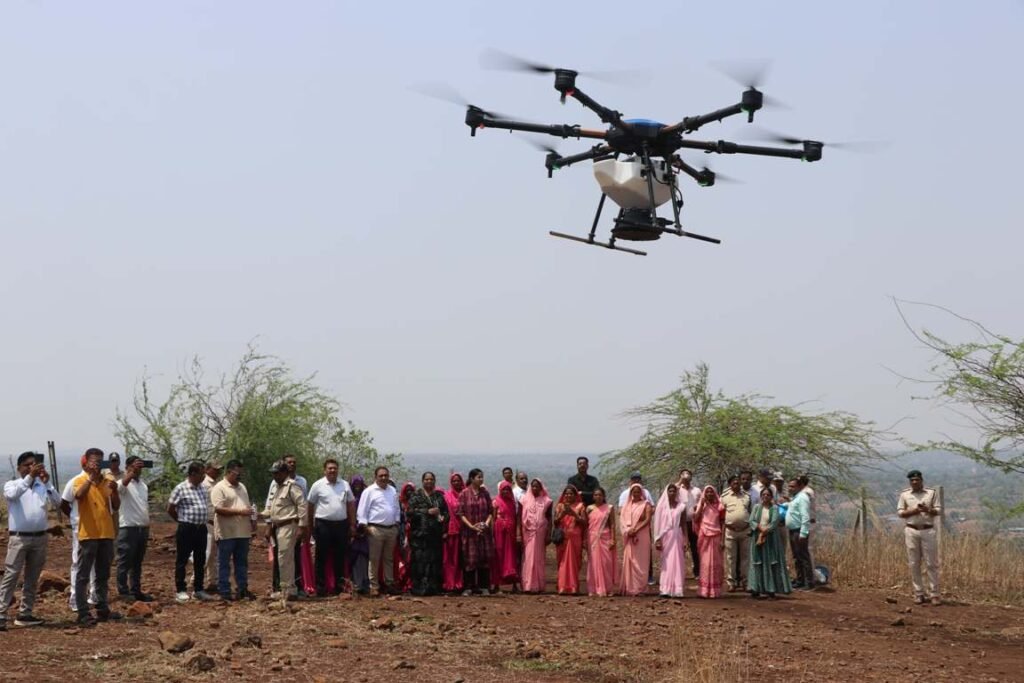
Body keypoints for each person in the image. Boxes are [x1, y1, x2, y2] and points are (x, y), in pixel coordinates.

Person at [0, 451, 61, 630]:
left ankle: (25, 613)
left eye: (34, 464)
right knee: (11, 575)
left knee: (32, 577)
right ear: (19, 468)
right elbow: (12, 496)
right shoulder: (13, 484)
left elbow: (58, 503)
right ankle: (1, 613)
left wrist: (47, 481)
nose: (31, 468)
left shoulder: (42, 486)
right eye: (27, 465)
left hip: (39, 537)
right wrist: (29, 478)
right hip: (19, 537)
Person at [70, 447, 123, 626]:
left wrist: (115, 490)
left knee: (103, 573)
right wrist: (91, 478)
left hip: (106, 533)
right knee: (83, 574)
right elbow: (78, 496)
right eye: (94, 461)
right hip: (88, 534)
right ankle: (83, 612)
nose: (97, 465)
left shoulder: (107, 481)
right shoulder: (80, 480)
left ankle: (102, 607)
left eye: (101, 461)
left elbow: (115, 506)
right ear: (86, 462)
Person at [168, 461, 217, 603]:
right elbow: (171, 508)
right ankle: (181, 590)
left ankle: (198, 589)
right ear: (193, 474)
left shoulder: (202, 488)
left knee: (200, 559)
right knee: (182, 560)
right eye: (202, 474)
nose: (204, 476)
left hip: (201, 528)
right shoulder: (181, 488)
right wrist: (182, 521)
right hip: (186, 527)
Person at [306, 459, 356, 597]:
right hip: (323, 525)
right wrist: (310, 526)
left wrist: (352, 525)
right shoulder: (318, 485)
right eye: (330, 468)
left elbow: (351, 505)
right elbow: (310, 506)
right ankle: (321, 587)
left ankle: (340, 587)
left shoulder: (344, 485)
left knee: (340, 556)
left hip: (341, 525)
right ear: (324, 470)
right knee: (321, 557)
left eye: (335, 468)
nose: (332, 470)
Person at [211, 459, 256, 601]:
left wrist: (252, 521)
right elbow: (218, 509)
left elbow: (247, 506)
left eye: (241, 473)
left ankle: (242, 589)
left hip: (242, 532)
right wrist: (239, 512)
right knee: (224, 563)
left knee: (242, 562)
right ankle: (224, 591)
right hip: (226, 533)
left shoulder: (242, 487)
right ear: (229, 472)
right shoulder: (219, 487)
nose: (239, 476)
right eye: (237, 473)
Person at [263, 459, 308, 600]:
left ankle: (288, 589)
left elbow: (302, 506)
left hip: (289, 525)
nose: (274, 476)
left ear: (284, 472)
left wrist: (302, 526)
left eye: (277, 473)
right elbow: (273, 508)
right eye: (273, 473)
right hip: (279, 527)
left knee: (285, 559)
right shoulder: (277, 487)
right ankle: (287, 588)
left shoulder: (292, 486)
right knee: (283, 558)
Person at [897, 469, 942, 605]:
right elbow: (900, 513)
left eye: (917, 480)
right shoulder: (905, 495)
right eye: (912, 480)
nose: (915, 482)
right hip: (911, 530)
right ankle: (919, 593)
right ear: (910, 482)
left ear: (922, 480)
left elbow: (938, 510)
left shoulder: (931, 493)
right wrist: (915, 510)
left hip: (928, 530)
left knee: (931, 563)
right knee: (914, 563)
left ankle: (934, 594)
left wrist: (927, 510)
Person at [356, 466, 401, 596]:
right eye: (381, 476)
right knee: (374, 559)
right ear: (375, 477)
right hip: (375, 529)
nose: (383, 478)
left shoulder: (392, 490)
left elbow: (396, 508)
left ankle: (389, 584)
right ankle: (374, 586)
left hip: (391, 529)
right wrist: (365, 527)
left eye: (386, 475)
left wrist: (397, 523)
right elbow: (362, 510)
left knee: (389, 559)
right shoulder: (369, 491)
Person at [61, 455, 97, 612]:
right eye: (94, 462)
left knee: (96, 562)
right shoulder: (76, 480)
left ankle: (94, 594)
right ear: (85, 464)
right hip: (81, 527)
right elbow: (64, 502)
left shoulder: (102, 481)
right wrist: (74, 517)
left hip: (97, 527)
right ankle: (75, 598)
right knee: (78, 562)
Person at [115, 455, 152, 602]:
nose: (138, 470)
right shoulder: (123, 483)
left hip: (142, 528)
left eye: (140, 467)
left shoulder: (143, 485)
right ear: (127, 467)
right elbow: (121, 487)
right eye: (135, 466)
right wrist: (131, 473)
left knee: (137, 562)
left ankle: (136, 590)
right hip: (128, 528)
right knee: (124, 561)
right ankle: (123, 591)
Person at [407, 472, 448, 596]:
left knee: (434, 561)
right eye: (426, 479)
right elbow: (409, 513)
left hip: (435, 535)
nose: (429, 482)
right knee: (419, 561)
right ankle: (418, 588)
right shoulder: (416, 496)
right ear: (422, 481)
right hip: (420, 535)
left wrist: (443, 518)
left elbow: (446, 513)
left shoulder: (439, 497)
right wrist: (427, 511)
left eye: (431, 479)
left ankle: (434, 587)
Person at [747, 488, 792, 599]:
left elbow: (774, 522)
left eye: (768, 495)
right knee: (757, 562)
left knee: (769, 563)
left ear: (771, 497)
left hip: (770, 539)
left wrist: (765, 531)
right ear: (761, 496)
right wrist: (759, 529)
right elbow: (751, 520)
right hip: (757, 538)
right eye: (763, 494)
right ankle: (755, 588)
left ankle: (770, 589)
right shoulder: (756, 507)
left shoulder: (774, 508)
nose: (765, 496)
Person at [457, 468, 494, 595]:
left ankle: (484, 587)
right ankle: (469, 587)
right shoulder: (464, 494)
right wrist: (472, 526)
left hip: (484, 531)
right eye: (479, 477)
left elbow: (490, 511)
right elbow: (461, 514)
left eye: (482, 477)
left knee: (484, 558)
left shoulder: (485, 493)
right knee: (470, 559)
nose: (481, 479)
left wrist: (486, 524)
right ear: (472, 479)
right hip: (469, 532)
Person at [653, 483, 687, 598]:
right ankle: (665, 589)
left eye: (674, 491)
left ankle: (677, 589)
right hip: (665, 536)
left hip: (677, 535)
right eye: (670, 491)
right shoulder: (661, 507)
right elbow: (657, 524)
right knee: (666, 563)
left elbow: (683, 524)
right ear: (666, 493)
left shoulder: (681, 506)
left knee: (677, 561)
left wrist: (686, 540)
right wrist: (657, 539)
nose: (672, 493)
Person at [619, 483, 653, 596]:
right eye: (634, 492)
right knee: (631, 560)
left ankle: (640, 588)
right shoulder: (626, 506)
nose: (636, 493)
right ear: (631, 493)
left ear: (641, 493)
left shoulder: (646, 504)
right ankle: (630, 588)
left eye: (638, 491)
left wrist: (636, 529)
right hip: (630, 535)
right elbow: (622, 520)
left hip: (642, 535)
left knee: (641, 562)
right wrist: (628, 530)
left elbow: (647, 519)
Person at [520, 478, 552, 594]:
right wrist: (519, 533)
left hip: (541, 533)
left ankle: (538, 584)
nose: (535, 488)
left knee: (539, 558)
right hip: (528, 532)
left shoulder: (547, 501)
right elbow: (520, 517)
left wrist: (549, 533)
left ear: (541, 488)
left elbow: (549, 518)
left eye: (537, 486)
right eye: (533, 486)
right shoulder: (524, 500)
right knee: (528, 558)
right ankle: (528, 585)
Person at [721, 475, 752, 593]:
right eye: (734, 483)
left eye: (738, 483)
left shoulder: (747, 496)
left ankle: (745, 582)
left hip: (745, 531)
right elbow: (721, 517)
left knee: (745, 558)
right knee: (730, 558)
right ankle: (731, 583)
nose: (737, 485)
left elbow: (750, 512)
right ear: (730, 484)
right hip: (730, 531)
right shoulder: (724, 497)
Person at [693, 485, 725, 598]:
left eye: (712, 492)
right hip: (704, 536)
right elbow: (696, 519)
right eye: (707, 492)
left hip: (716, 535)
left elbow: (722, 523)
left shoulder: (720, 506)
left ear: (715, 493)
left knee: (716, 563)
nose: (710, 494)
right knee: (705, 563)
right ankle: (703, 590)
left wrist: (723, 539)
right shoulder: (701, 505)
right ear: (704, 494)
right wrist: (701, 505)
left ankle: (714, 591)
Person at [554, 484, 586, 595]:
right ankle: (562, 587)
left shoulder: (580, 506)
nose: (568, 495)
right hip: (563, 537)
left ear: (575, 495)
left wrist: (574, 514)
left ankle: (573, 587)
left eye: (571, 494)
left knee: (574, 562)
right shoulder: (560, 506)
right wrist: (563, 514)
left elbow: (584, 522)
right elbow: (555, 522)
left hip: (575, 537)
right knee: (562, 562)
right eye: (566, 493)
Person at [491, 480, 521, 593]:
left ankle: (514, 584)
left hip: (511, 533)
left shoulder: (513, 503)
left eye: (508, 489)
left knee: (511, 557)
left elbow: (516, 517)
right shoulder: (496, 501)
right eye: (503, 489)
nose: (505, 491)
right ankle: (496, 584)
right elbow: (493, 518)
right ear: (500, 490)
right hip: (499, 532)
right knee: (498, 556)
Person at [586, 486, 616, 596]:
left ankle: (608, 588)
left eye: (600, 495)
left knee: (606, 563)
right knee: (593, 563)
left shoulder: (609, 508)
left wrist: (613, 539)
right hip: (592, 538)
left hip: (605, 537)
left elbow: (612, 524)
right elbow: (587, 525)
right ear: (593, 496)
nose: (598, 497)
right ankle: (594, 588)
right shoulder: (589, 508)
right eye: (595, 495)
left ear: (603, 496)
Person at [785, 477, 814, 590]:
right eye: (789, 486)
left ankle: (809, 582)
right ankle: (800, 580)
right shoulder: (795, 498)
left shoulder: (802, 498)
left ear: (799, 487)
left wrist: (803, 533)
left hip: (799, 531)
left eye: (792, 486)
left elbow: (805, 516)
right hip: (793, 531)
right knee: (796, 556)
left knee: (803, 556)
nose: (790, 488)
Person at [199, 461, 223, 591]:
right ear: (207, 470)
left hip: (216, 523)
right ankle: (194, 582)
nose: (218, 472)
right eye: (215, 469)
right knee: (207, 553)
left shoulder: (218, 484)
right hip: (207, 522)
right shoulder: (204, 484)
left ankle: (212, 581)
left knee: (213, 554)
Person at [441, 472, 465, 594]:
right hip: (450, 531)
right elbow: (444, 514)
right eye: (454, 481)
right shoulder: (446, 495)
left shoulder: (465, 495)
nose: (456, 483)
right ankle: (449, 584)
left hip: (464, 531)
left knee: (460, 560)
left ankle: (459, 584)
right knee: (448, 559)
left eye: (458, 480)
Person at [676, 469, 702, 579]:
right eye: (683, 474)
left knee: (696, 548)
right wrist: (681, 480)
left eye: (688, 474)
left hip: (694, 522)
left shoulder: (697, 490)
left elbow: (701, 503)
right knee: (680, 547)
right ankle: (679, 572)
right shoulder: (677, 489)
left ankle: (697, 571)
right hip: (680, 523)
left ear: (692, 477)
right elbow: (669, 491)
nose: (686, 476)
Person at [348, 475, 370, 594]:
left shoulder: (365, 497)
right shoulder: (349, 498)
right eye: (355, 485)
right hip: (352, 532)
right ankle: (356, 582)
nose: (357, 487)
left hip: (365, 531)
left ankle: (365, 582)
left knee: (365, 557)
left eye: (359, 485)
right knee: (354, 558)